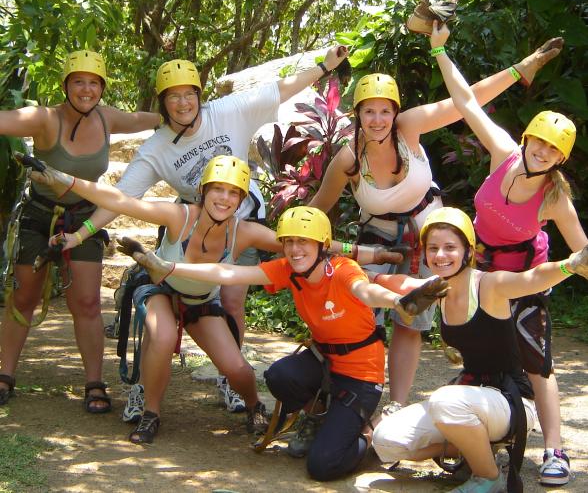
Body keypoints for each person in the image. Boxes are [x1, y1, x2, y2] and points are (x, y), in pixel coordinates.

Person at [27, 155, 409, 443]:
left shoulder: (244, 233)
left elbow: (306, 242)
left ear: (241, 199)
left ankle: (255, 406)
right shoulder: (179, 216)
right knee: (160, 336)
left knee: (238, 368)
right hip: (163, 289)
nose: (225, 199)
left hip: (201, 303)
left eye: (233, 193)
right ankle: (151, 412)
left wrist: (374, 254)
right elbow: (123, 201)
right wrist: (64, 179)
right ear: (204, 191)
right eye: (218, 190)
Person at [56, 48, 350, 414]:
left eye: (189, 93)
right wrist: (81, 233)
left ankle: (230, 379)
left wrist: (324, 66)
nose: (183, 103)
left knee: (232, 301)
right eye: (173, 96)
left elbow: (280, 89)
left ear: (200, 94)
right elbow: (121, 198)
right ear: (163, 104)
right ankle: (145, 387)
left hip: (241, 224)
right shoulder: (157, 148)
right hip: (191, 227)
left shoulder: (228, 111)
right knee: (161, 309)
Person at [308, 28, 563, 412]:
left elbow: (466, 101)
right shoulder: (348, 159)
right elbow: (317, 208)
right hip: (377, 239)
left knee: (412, 320)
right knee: (361, 313)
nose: (378, 119)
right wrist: (298, 243)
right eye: (368, 111)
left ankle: (396, 404)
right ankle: (346, 398)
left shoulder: (408, 128)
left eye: (385, 110)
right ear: (356, 115)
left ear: (395, 112)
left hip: (429, 233)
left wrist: (519, 70)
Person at [111, 205, 449, 481]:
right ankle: (317, 417)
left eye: (304, 241)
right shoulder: (288, 270)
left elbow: (367, 291)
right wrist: (166, 266)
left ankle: (369, 437)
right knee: (279, 376)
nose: (295, 249)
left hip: (361, 378)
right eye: (289, 241)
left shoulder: (343, 270)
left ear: (322, 246)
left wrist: (397, 303)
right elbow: (229, 273)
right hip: (324, 362)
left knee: (322, 467)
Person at [444, 29, 585, 486]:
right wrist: (440, 48)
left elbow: (582, 251)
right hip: (481, 273)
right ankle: (480, 438)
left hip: (524, 280)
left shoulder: (553, 198)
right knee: (478, 356)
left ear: (560, 159)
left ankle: (555, 451)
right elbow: (465, 101)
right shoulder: (503, 153)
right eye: (538, 142)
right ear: (526, 138)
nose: (541, 152)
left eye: (552, 150)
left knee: (536, 361)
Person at [372, 207, 588, 493]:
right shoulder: (436, 289)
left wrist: (571, 265)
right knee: (386, 438)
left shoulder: (489, 285)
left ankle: (488, 476)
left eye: (450, 247)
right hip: (470, 401)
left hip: (511, 403)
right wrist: (364, 275)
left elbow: (532, 278)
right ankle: (472, 450)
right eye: (433, 248)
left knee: (444, 400)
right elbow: (399, 283)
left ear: (468, 251)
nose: (440, 256)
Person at [0, 50, 160, 411]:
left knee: (86, 302)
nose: (86, 90)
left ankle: (94, 383)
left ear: (101, 88)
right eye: (78, 82)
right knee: (24, 297)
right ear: (66, 85)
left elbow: (156, 117)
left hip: (84, 220)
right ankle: (5, 374)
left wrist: (186, 110)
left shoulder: (107, 118)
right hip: (39, 217)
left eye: (94, 83)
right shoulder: (45, 118)